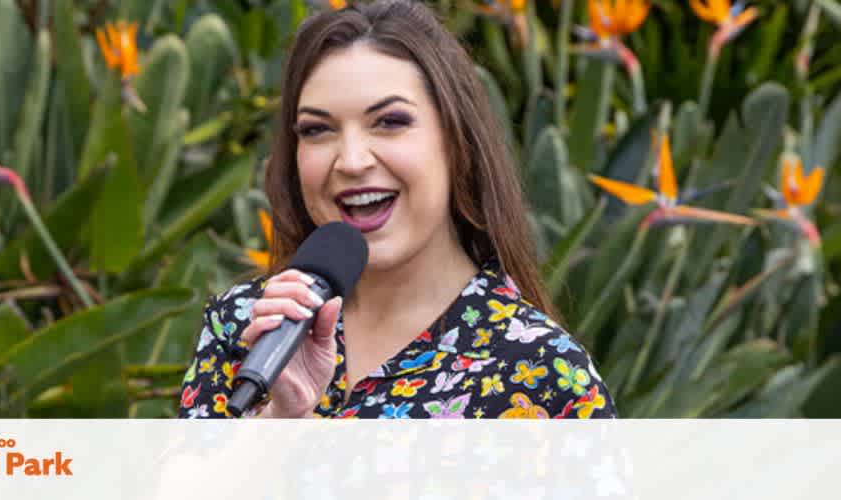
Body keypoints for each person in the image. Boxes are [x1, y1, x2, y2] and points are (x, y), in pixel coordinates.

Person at [178, 0, 616, 419]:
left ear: (456, 141)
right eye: (317, 130)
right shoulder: (247, 327)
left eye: (390, 122)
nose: (351, 161)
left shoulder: (545, 375)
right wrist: (279, 421)